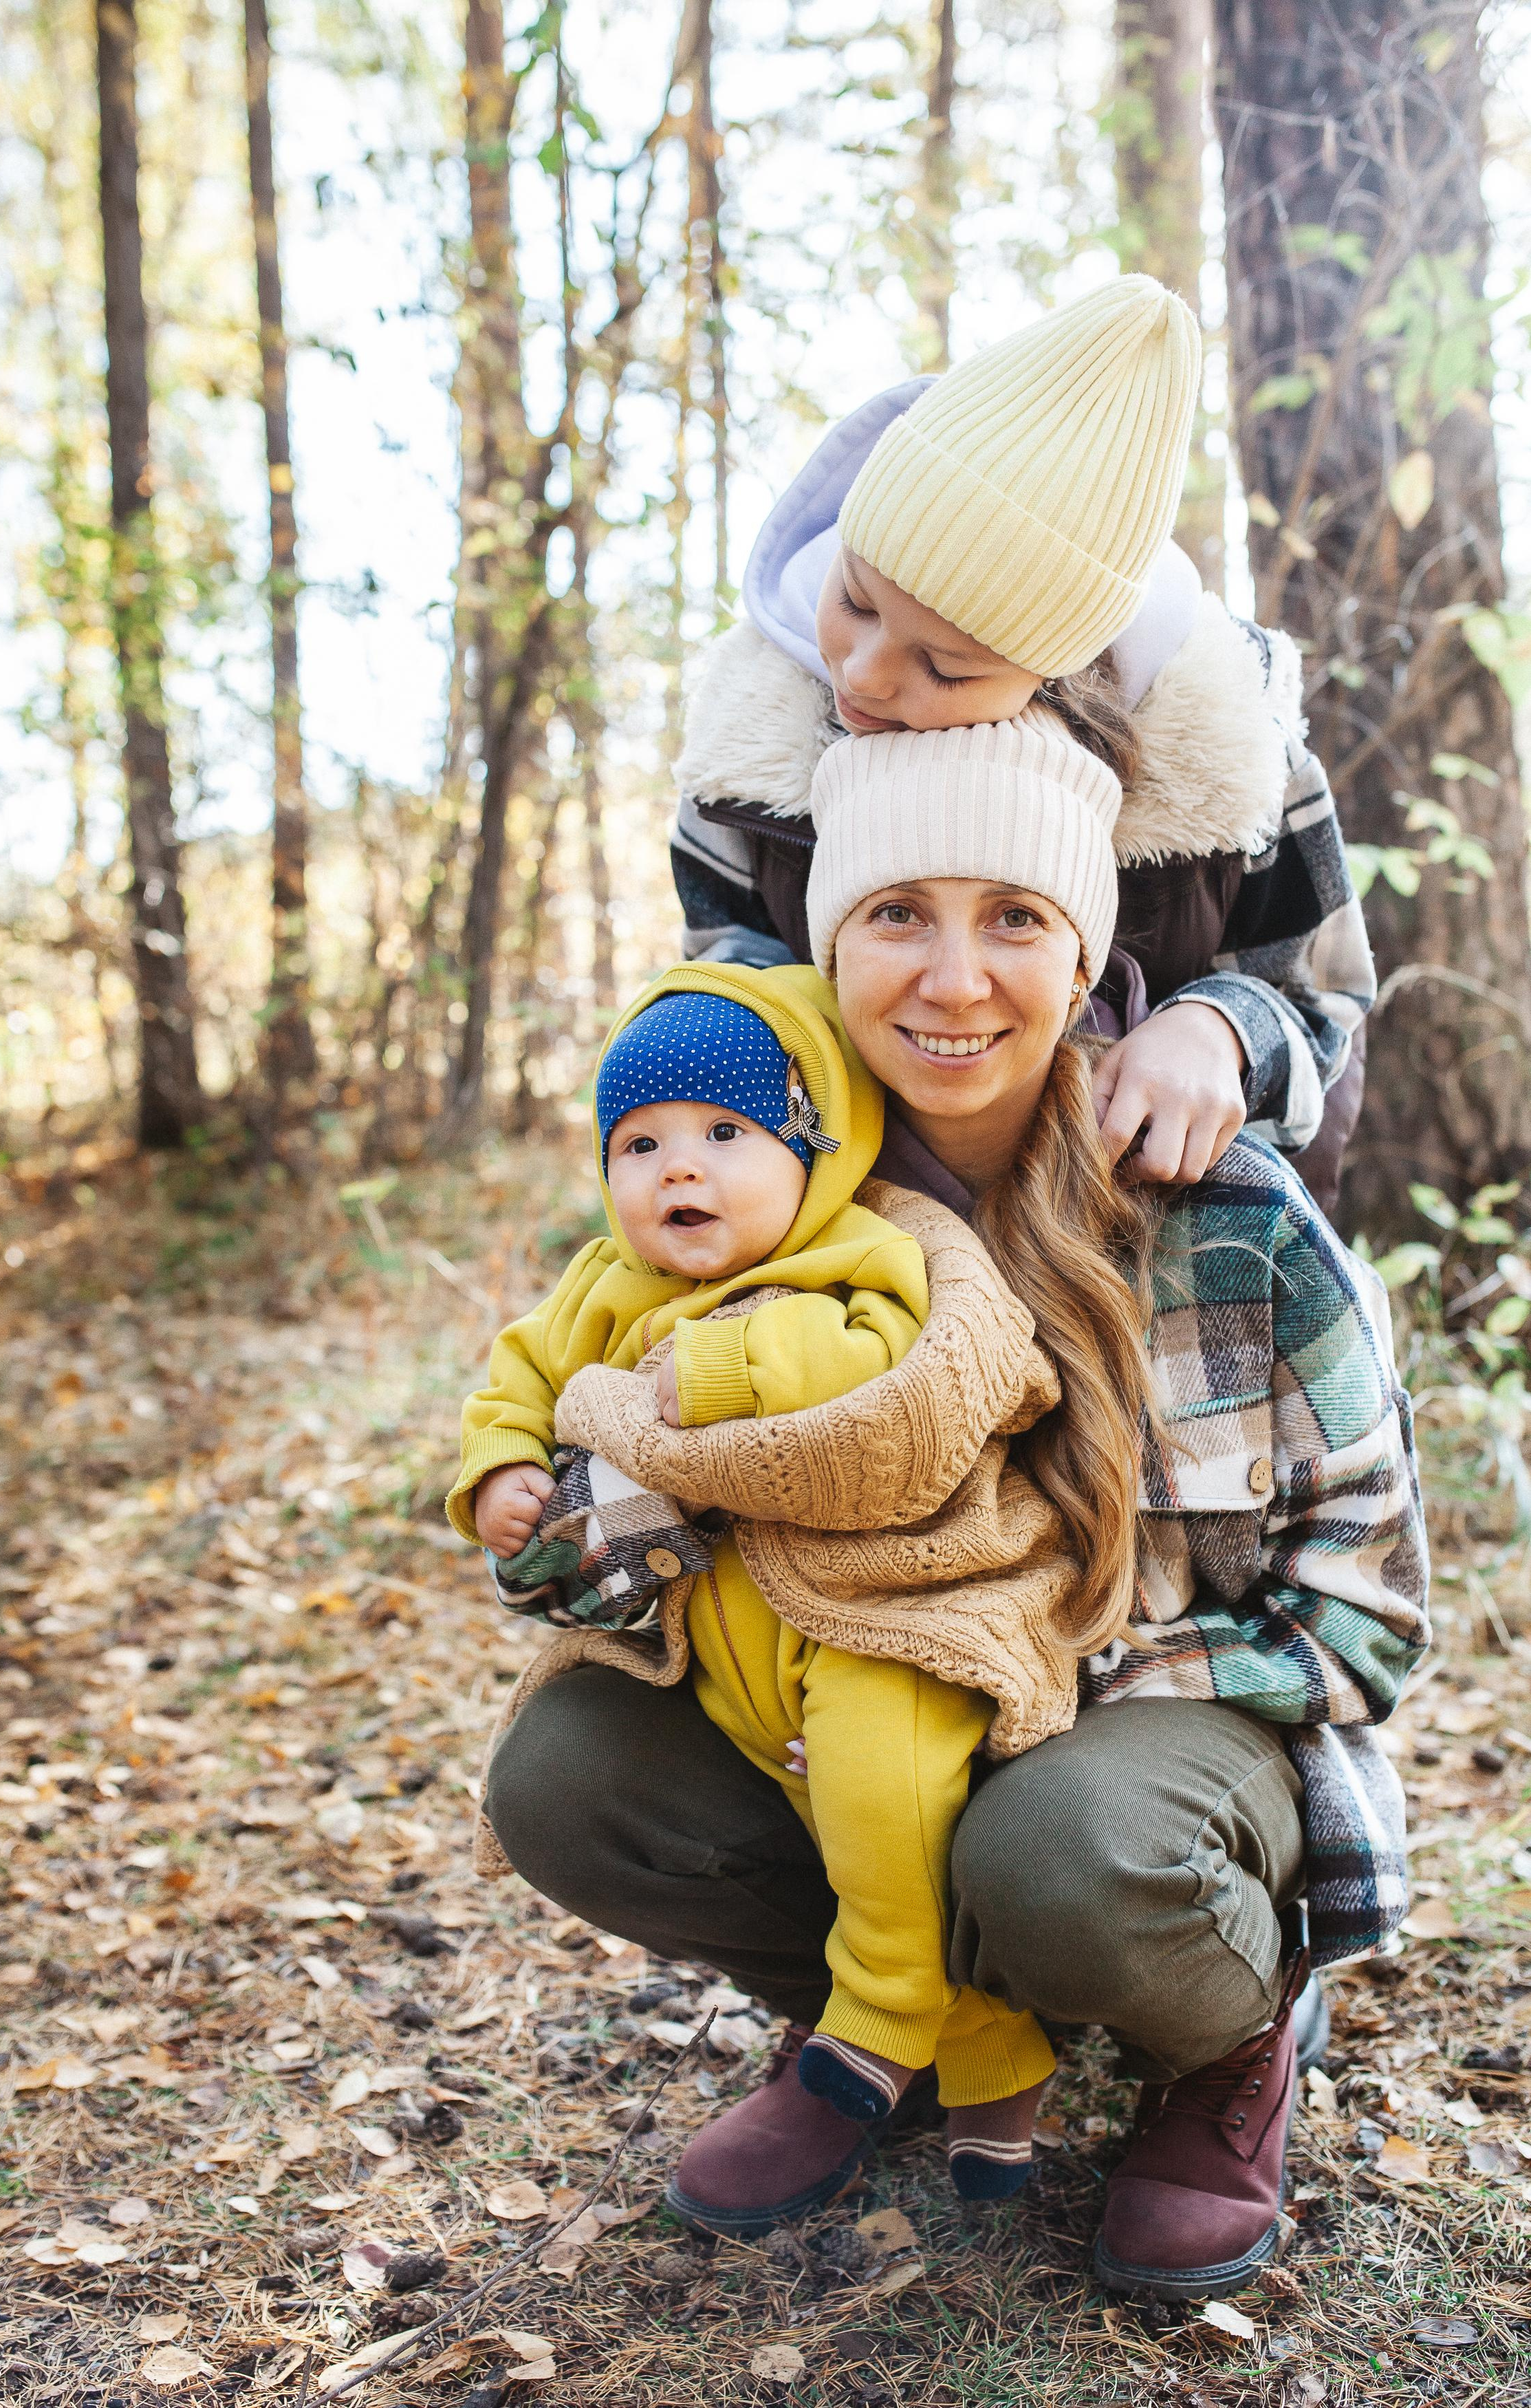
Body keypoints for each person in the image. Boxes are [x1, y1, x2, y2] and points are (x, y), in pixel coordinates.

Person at [483, 718, 1429, 2301]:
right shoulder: (757, 1200)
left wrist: (1043, 1693)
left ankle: (1230, 2038)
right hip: (858, 1700)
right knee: (569, 1771)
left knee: (1050, 1840)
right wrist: (577, 1506)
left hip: (1161, 1724)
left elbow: (1371, 1610)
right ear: (828, 949)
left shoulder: (1227, 1207)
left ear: (1082, 957)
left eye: (1013, 917)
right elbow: (606, 1538)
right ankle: (898, 2017)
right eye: (896, 914)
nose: (953, 975)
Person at [452, 952, 1112, 2209]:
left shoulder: (859, 1254)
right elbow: (517, 1382)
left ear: (813, 1149)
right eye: (637, 1146)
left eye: (722, 1133)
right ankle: (993, 2066)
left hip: (881, 1622)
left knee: (878, 1801)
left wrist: (712, 1374)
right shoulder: (597, 1289)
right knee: (851, 1840)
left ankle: (874, 2012)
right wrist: (499, 1476)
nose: (677, 1169)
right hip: (730, 1654)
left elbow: (869, 1358)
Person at [670, 277, 1375, 1211]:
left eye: (945, 667)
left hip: (1161, 1258)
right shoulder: (749, 756)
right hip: (862, 1255)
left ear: (1061, 663)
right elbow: (724, 978)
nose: (865, 677)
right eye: (856, 603)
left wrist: (1224, 1031)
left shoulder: (1233, 755)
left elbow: (1323, 991)